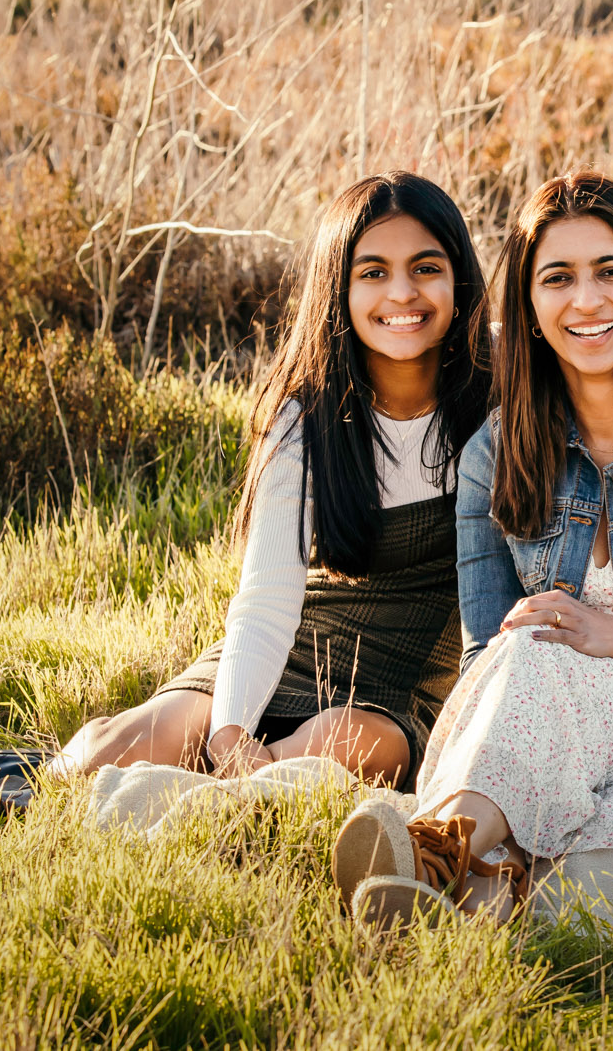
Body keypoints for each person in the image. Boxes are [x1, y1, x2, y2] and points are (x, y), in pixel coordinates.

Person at [330, 173, 613, 923]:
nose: (587, 300)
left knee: (539, 648)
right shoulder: (494, 456)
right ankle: (479, 882)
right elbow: (485, 659)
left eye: (611, 271)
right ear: (531, 308)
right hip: (544, 729)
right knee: (522, 649)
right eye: (558, 278)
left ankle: (440, 841)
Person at [47, 173, 490, 786]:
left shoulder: (499, 385)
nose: (402, 294)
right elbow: (268, 595)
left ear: (459, 277)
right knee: (128, 745)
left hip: (399, 680)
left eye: (425, 268)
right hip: (295, 647)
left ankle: (219, 796)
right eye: (372, 273)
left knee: (339, 743)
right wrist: (230, 729)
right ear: (337, 287)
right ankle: (33, 781)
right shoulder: (306, 412)